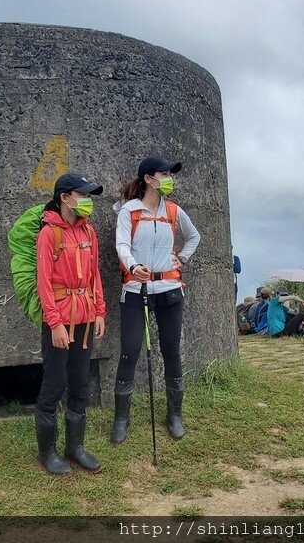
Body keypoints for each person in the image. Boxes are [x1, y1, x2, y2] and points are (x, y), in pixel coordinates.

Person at [111, 155, 201, 443]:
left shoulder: (173, 211)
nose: (169, 179)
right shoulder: (129, 211)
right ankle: (121, 419)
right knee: (130, 352)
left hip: (170, 291)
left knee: (171, 350)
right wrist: (133, 267)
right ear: (149, 179)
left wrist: (182, 258)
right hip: (136, 291)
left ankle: (174, 414)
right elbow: (122, 245)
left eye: (169, 174)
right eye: (164, 174)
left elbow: (194, 236)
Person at [34, 172, 107, 475]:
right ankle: (47, 453)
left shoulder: (89, 233)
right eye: (83, 195)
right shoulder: (49, 234)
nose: (88, 201)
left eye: (89, 196)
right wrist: (55, 323)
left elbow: (95, 275)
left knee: (80, 383)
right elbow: (44, 283)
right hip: (60, 321)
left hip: (86, 319)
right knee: (55, 384)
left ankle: (74, 447)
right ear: (65, 197)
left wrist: (100, 310)